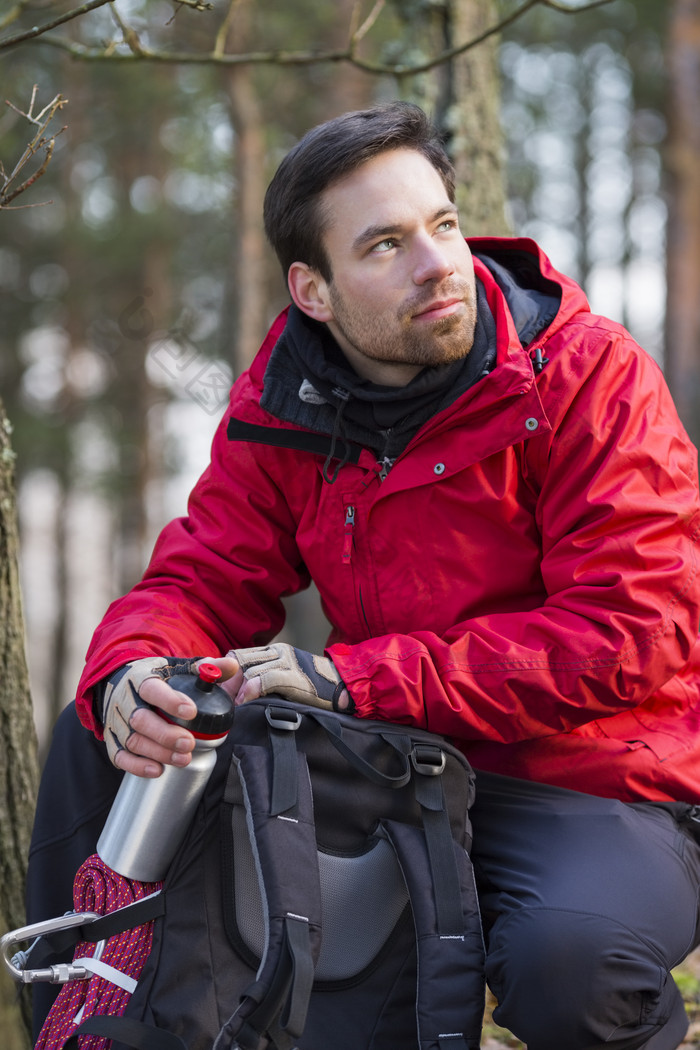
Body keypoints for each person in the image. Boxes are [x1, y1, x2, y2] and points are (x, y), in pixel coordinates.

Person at [28, 102, 700, 1050]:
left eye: (442, 226)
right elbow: (203, 578)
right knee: (110, 740)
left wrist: (356, 679)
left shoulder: (590, 378)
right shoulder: (283, 408)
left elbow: (633, 633)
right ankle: (79, 1020)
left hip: (593, 781)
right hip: (391, 773)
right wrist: (133, 674)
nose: (436, 264)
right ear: (313, 291)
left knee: (574, 971)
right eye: (385, 245)